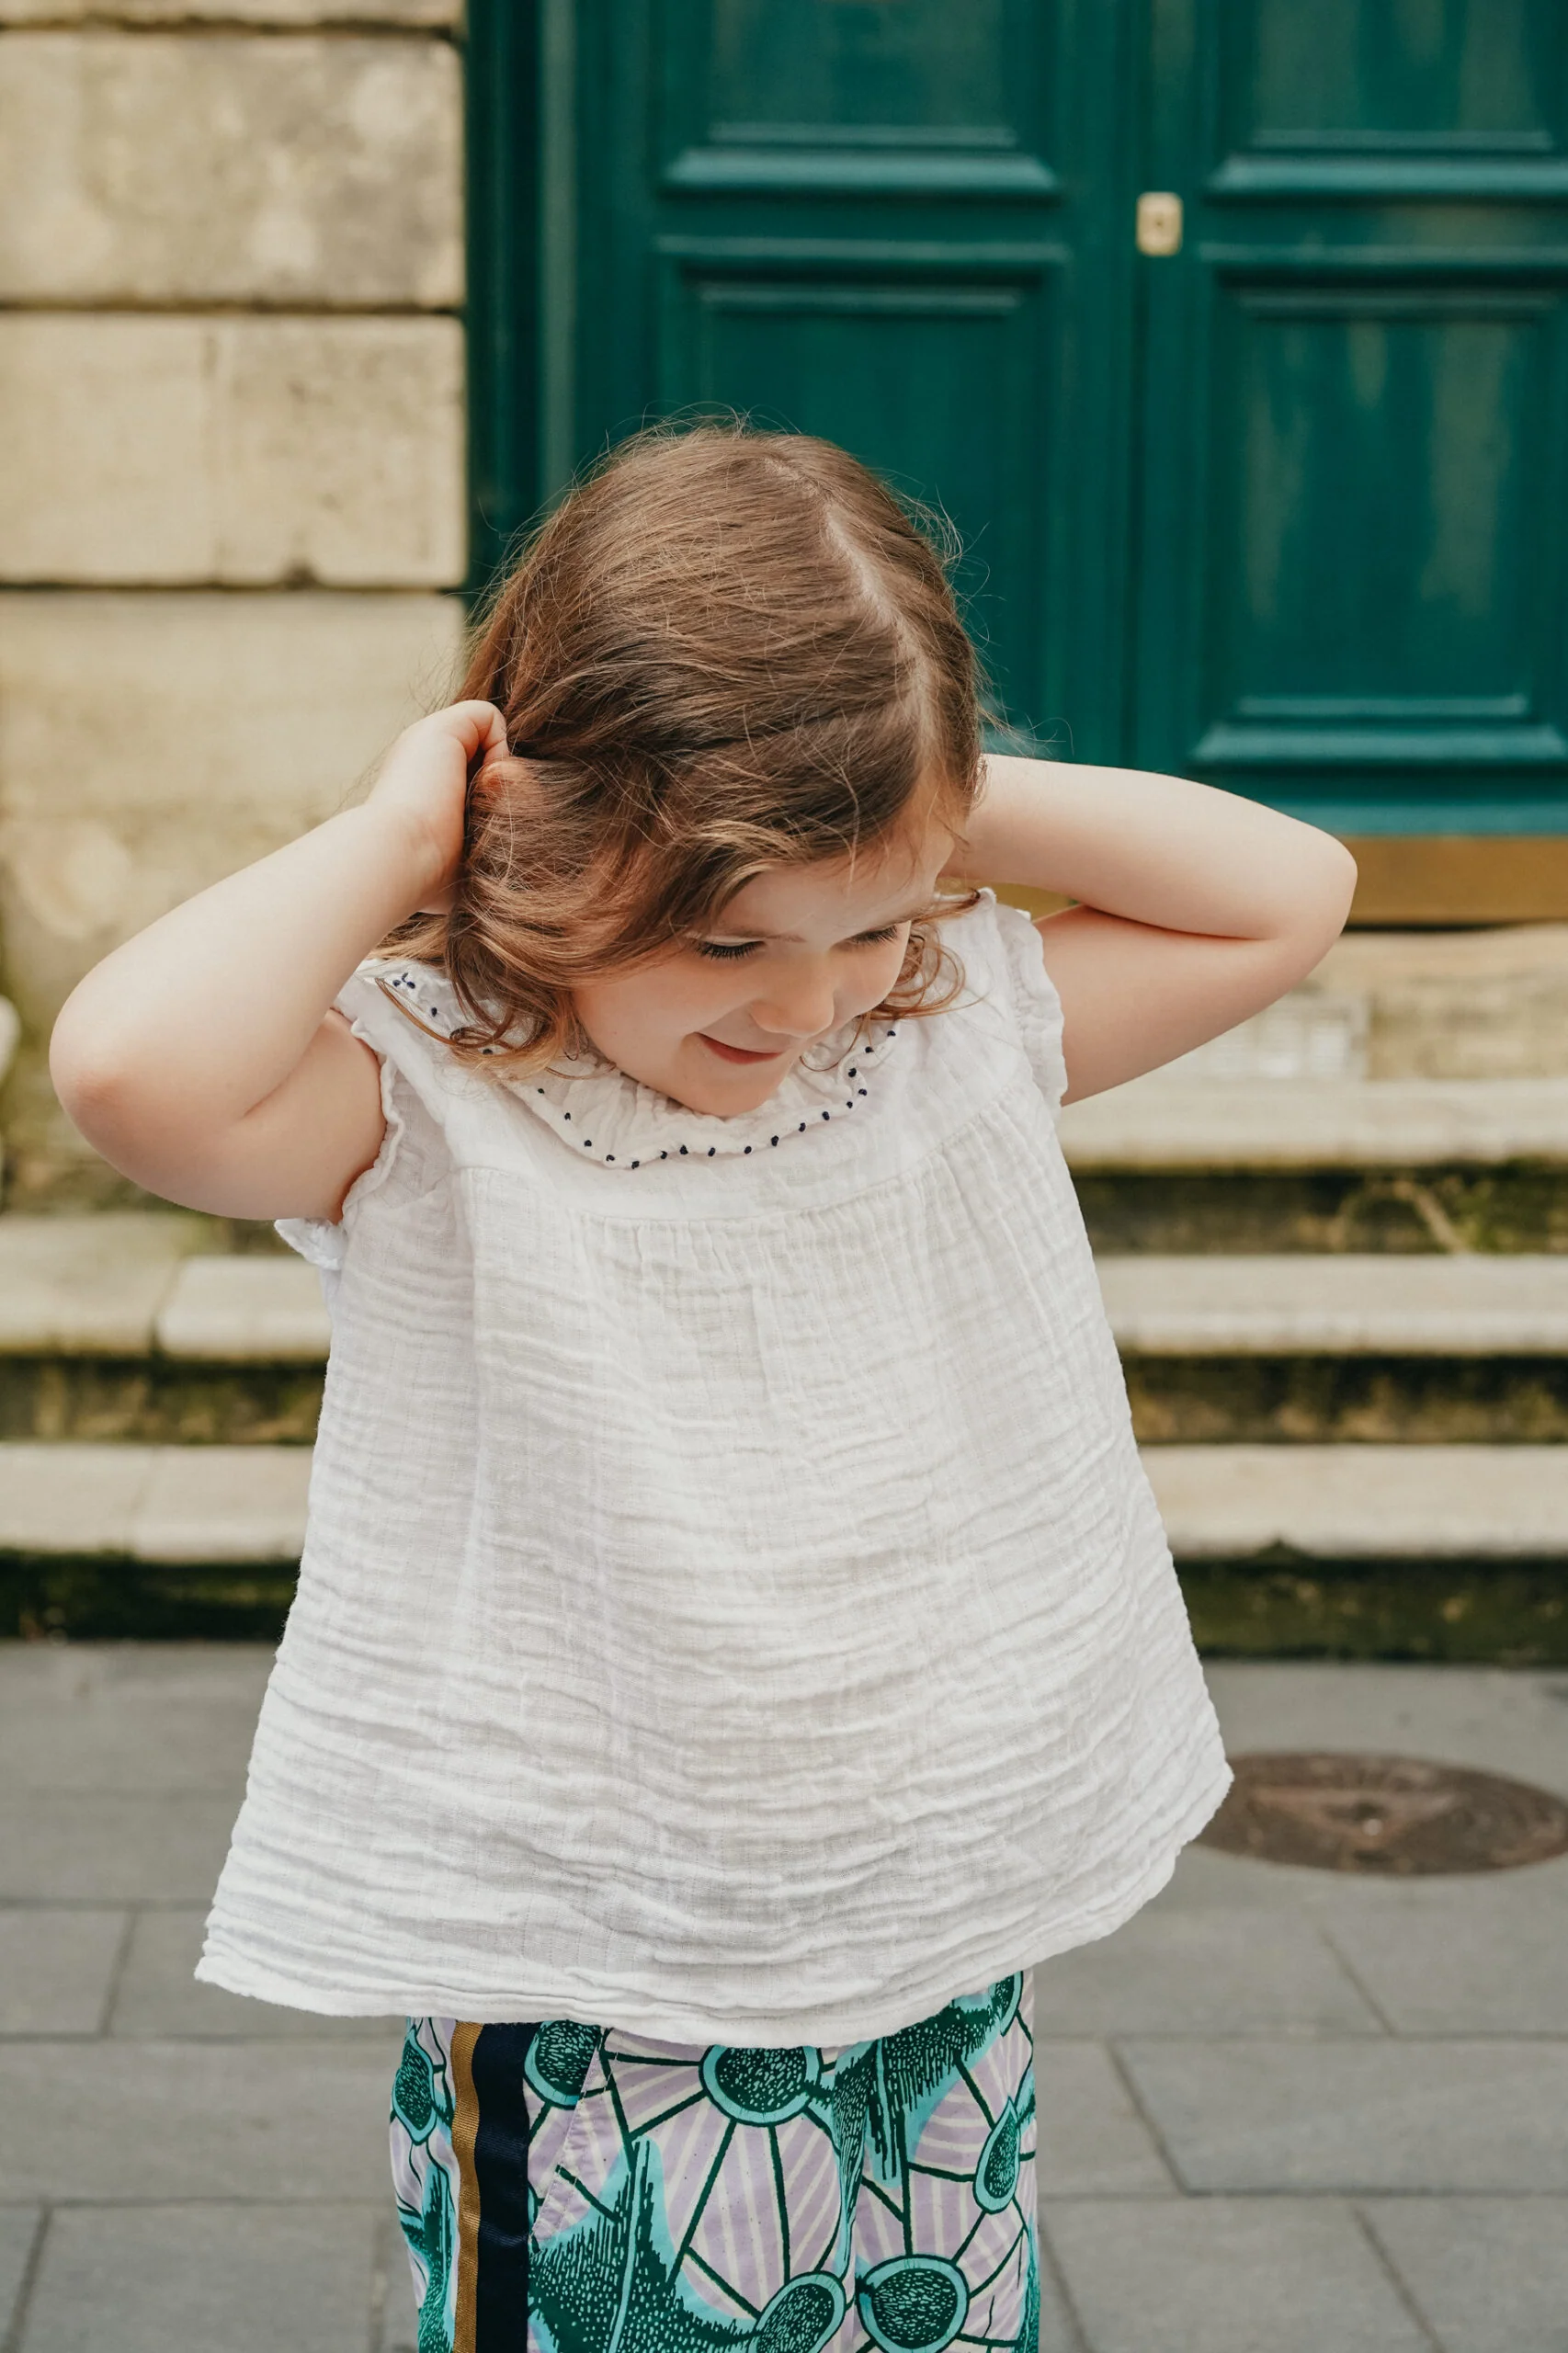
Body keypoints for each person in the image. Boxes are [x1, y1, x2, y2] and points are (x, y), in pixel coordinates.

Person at [51, 423, 1356, 2353]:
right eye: (730, 935)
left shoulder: (933, 1036)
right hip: (597, 1964)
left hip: (925, 1922)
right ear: (560, 848)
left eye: (871, 923)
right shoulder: (435, 1097)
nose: (803, 1001)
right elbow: (129, 1071)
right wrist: (410, 832)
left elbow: (1291, 888)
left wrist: (916, 794)